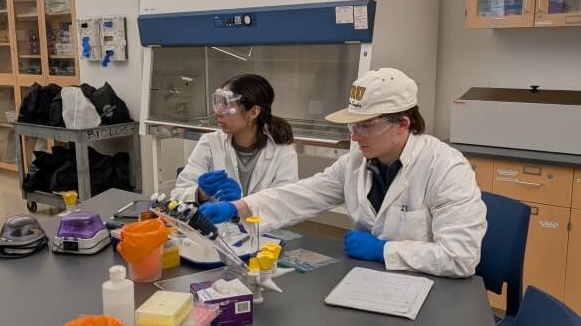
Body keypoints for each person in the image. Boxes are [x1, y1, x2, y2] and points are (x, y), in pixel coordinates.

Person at [201, 68, 487, 279]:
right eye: (353, 125)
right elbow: (303, 195)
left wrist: (384, 250)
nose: (357, 136)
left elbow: (460, 257)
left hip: (429, 291)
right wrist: (237, 208)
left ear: (402, 124)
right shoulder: (356, 162)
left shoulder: (446, 168)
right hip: (371, 281)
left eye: (367, 125)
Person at [171, 74, 298, 205]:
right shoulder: (210, 142)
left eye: (227, 104)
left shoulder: (283, 152)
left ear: (253, 112)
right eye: (219, 102)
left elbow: (286, 204)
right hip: (215, 225)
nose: (218, 112)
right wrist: (201, 193)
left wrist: (244, 207)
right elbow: (178, 193)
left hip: (262, 225)